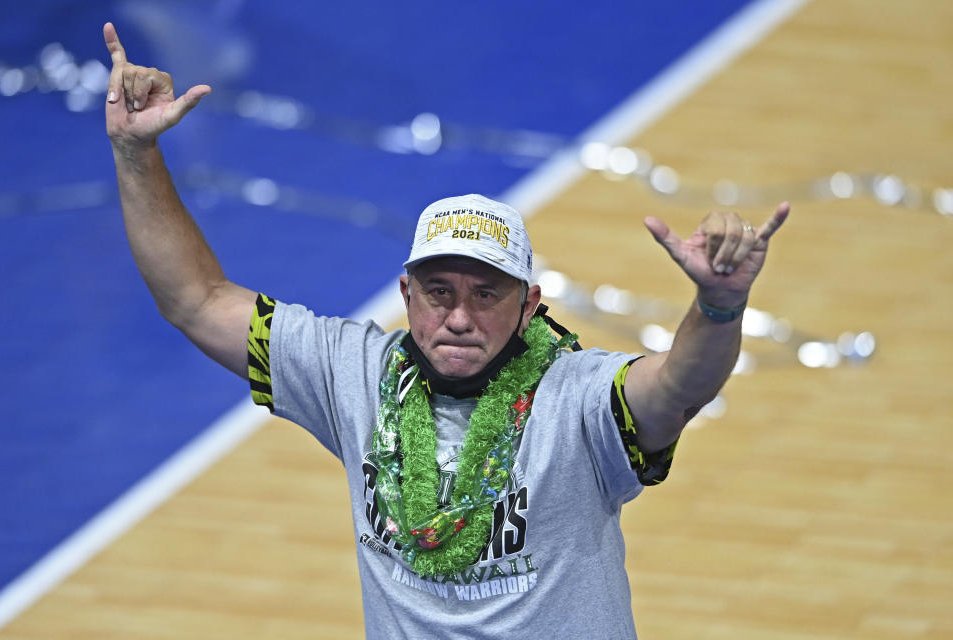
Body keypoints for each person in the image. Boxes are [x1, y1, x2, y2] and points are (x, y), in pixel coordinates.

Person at [103, 21, 789, 639]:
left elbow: (678, 385)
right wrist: (137, 155)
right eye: (439, 292)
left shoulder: (579, 403)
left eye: (486, 294)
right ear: (407, 294)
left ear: (530, 307)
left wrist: (720, 304)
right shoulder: (354, 375)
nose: (458, 317)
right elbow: (195, 300)